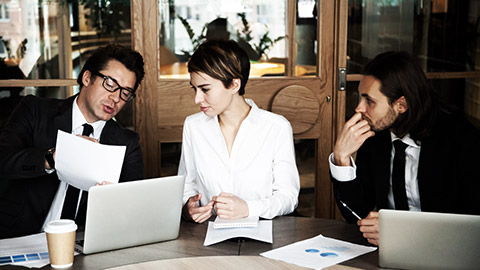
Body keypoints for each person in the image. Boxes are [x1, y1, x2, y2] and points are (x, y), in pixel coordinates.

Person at [330, 51, 480, 246]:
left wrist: (400, 232)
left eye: (369, 101)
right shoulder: (375, 135)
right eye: (360, 98)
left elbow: (472, 222)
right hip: (388, 253)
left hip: (447, 252)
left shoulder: (461, 140)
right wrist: (342, 159)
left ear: (401, 105)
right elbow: (357, 216)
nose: (359, 108)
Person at [0, 44, 145, 239]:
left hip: (84, 245)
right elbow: (4, 160)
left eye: (125, 93)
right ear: (87, 78)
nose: (116, 98)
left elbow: (133, 208)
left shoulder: (127, 144)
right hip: (22, 237)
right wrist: (54, 156)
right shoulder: (35, 111)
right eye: (110, 84)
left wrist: (112, 201)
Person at [178, 40, 300, 223]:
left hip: (264, 234)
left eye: (205, 89)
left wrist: (248, 208)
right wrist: (188, 207)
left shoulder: (276, 128)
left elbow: (288, 197)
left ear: (234, 85)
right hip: (208, 235)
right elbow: (187, 185)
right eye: (194, 89)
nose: (197, 98)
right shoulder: (193, 126)